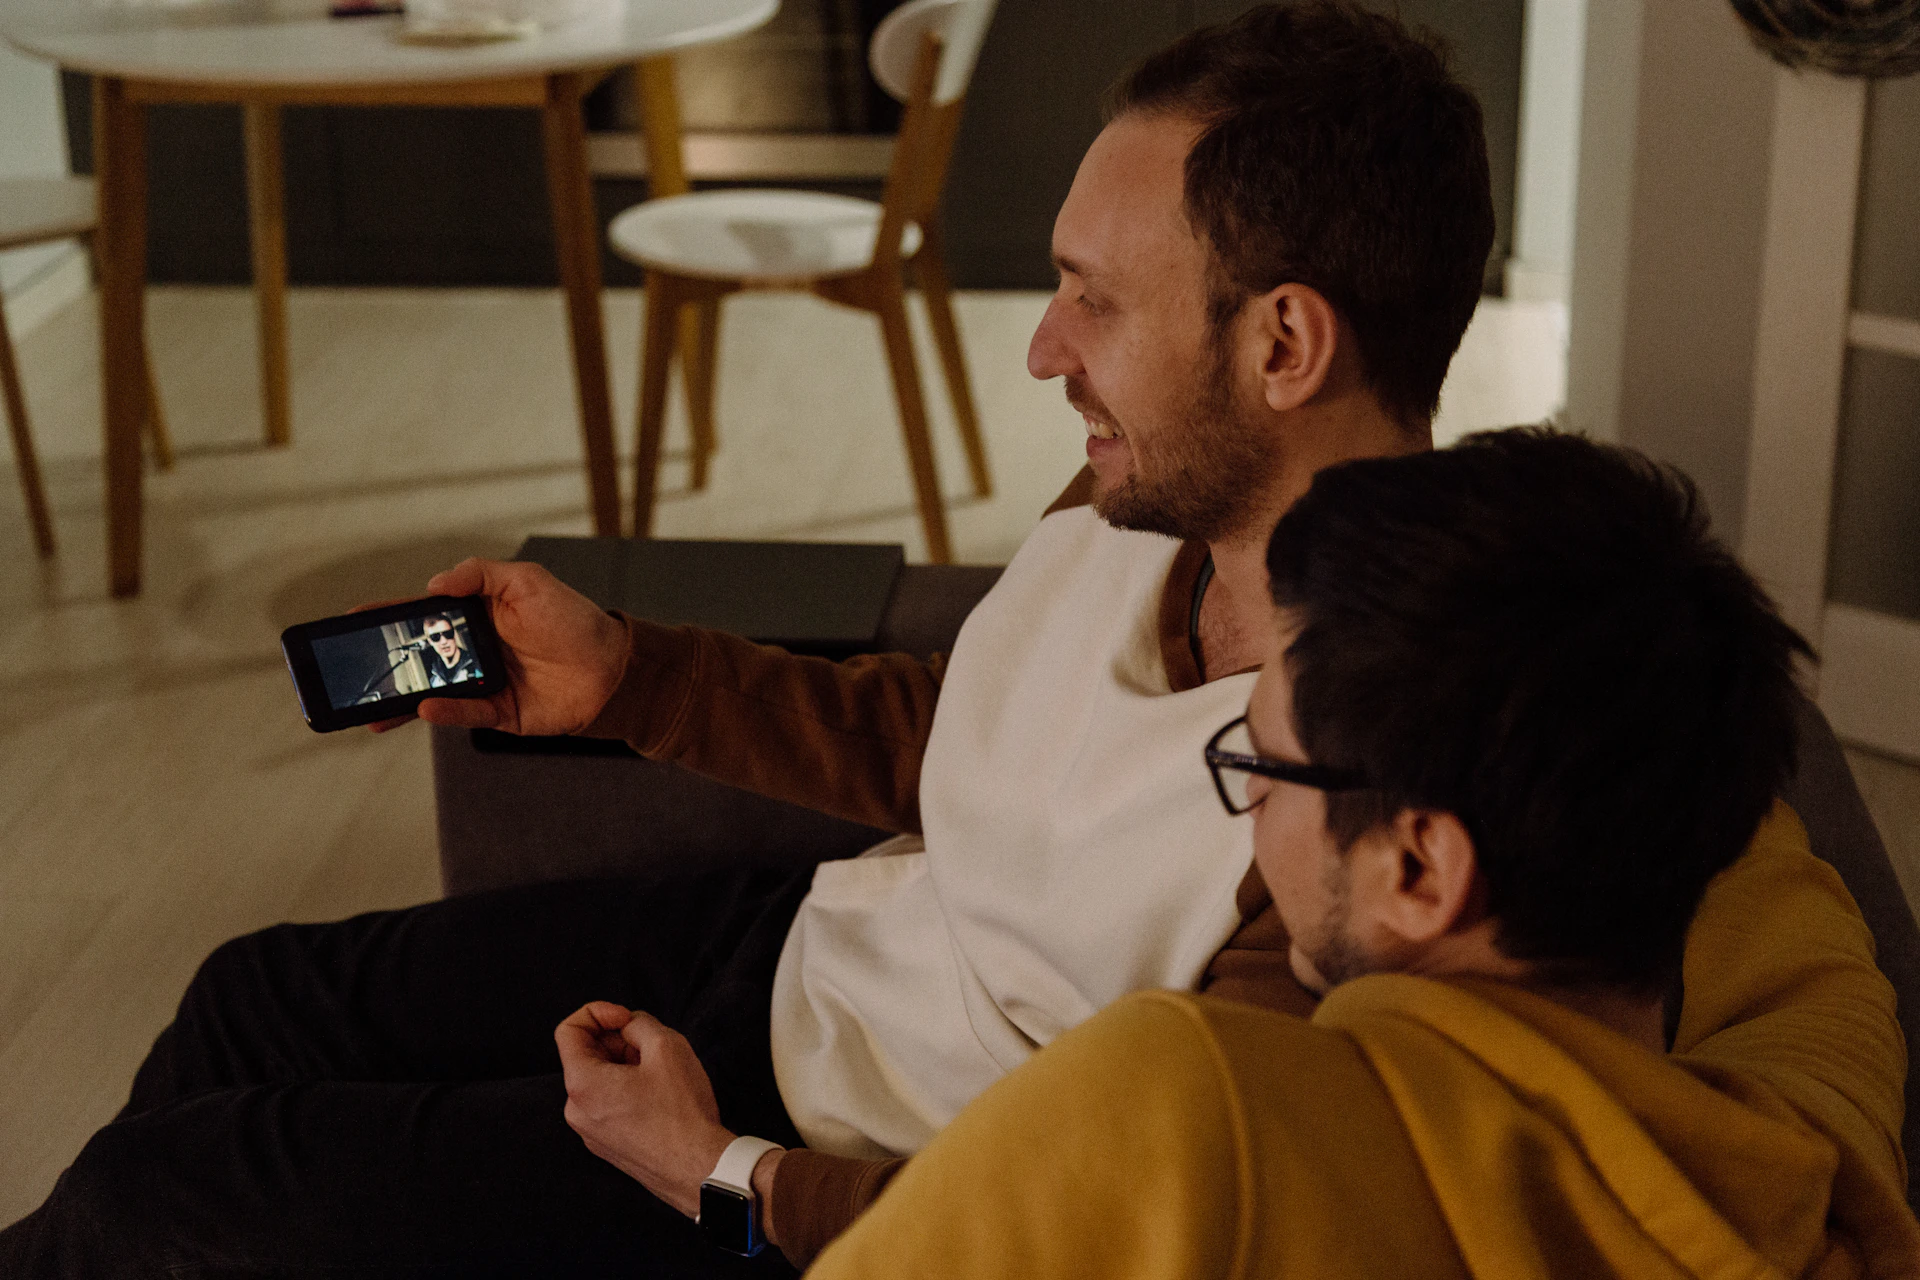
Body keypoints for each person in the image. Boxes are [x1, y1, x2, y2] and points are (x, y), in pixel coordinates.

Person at [0, 4, 1895, 1276]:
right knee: (254, 994)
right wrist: (628, 681)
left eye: (1088, 295)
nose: (1040, 343)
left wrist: (724, 1170)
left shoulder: (1373, 796)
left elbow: (1057, 1230)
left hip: (849, 1152)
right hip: (831, 948)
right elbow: (970, 735)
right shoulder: (1134, 493)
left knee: (165, 1199)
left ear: (1287, 343)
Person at [805, 428, 1920, 1278]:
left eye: (1263, 764)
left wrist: (711, 1168)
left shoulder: (1190, 1108)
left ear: (1422, 871)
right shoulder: (1818, 1120)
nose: (1248, 812)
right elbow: (1761, 855)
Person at [419, 612, 480, 687]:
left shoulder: (477, 666)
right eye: (435, 637)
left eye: (448, 634)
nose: (444, 641)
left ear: (454, 634)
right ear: (430, 641)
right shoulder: (434, 681)